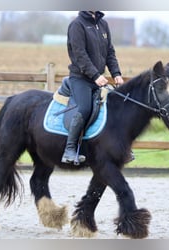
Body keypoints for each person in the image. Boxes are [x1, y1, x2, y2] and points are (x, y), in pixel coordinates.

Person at [61, 11, 125, 164]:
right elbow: (79, 54)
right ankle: (69, 150)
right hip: (80, 78)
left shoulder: (103, 24)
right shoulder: (77, 25)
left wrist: (116, 73)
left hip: (98, 78)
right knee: (84, 108)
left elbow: (110, 52)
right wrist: (95, 75)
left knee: (116, 106)